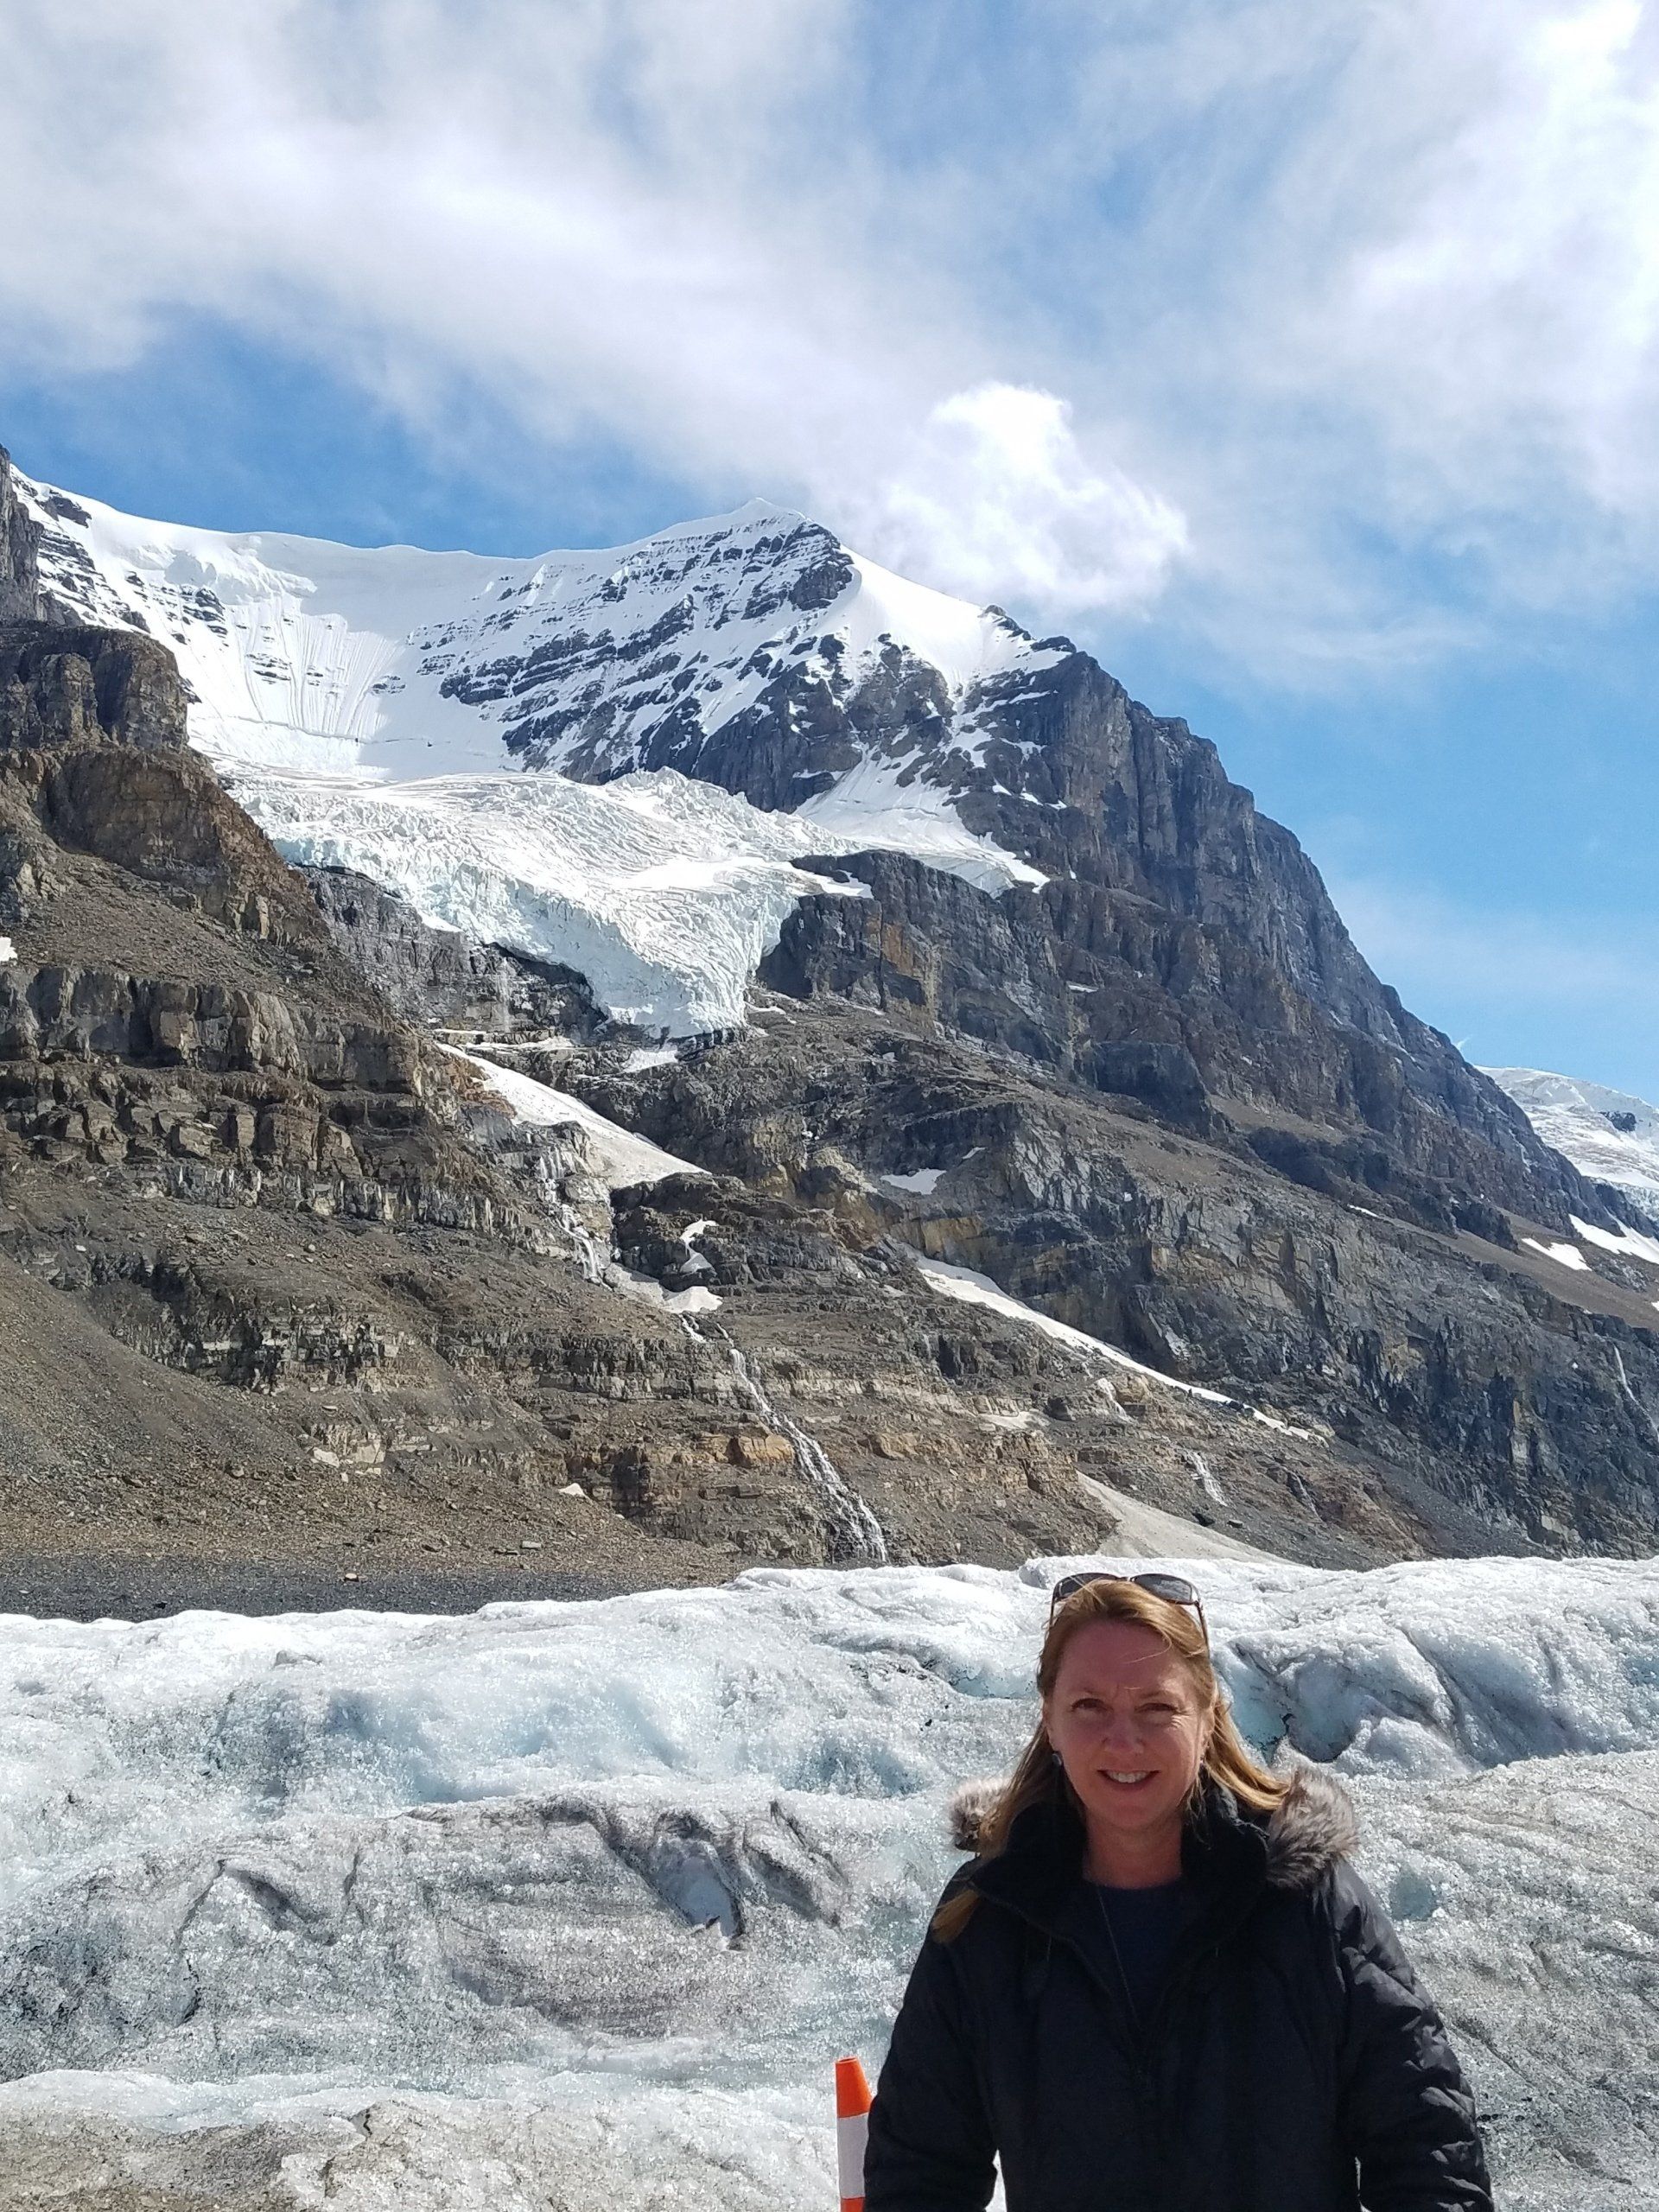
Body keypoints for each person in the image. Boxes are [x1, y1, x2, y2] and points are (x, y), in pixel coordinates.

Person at [864, 1570, 1492, 2212]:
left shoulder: (1306, 1903)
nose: (1124, 1740)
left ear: (1206, 1717)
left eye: (1156, 1708)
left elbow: (1429, 2152)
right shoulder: (990, 1917)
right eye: (1090, 1707)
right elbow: (919, 2174)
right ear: (1050, 1720)